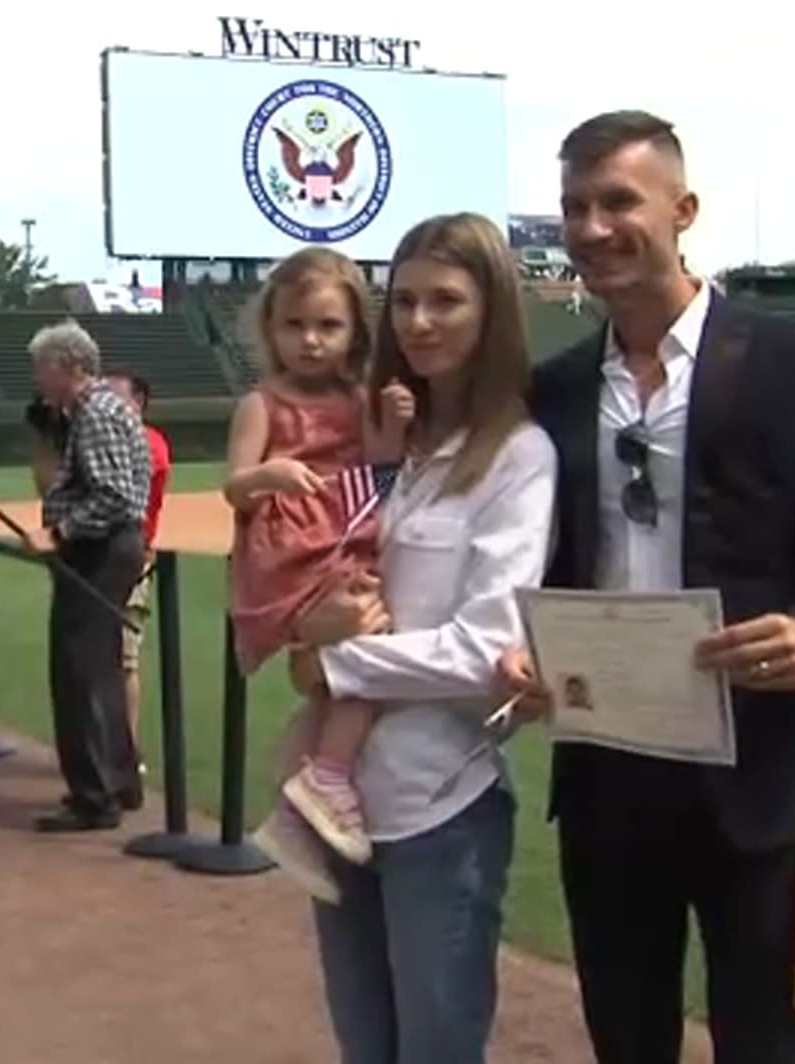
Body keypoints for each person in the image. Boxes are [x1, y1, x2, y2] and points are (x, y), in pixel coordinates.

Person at [497, 111, 795, 1063]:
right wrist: (525, 651)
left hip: (754, 772)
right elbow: (538, 562)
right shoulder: (553, 390)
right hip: (606, 774)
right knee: (627, 1034)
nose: (592, 228)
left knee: (763, 1039)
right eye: (574, 207)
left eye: (617, 202)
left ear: (684, 210)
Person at [281, 212, 556, 1063]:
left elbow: (486, 651)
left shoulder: (518, 456)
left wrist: (329, 659)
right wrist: (309, 633)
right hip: (338, 802)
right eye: (403, 301)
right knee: (365, 1048)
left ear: (492, 312)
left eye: (446, 300)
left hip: (444, 806)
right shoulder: (391, 454)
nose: (420, 322)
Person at [222, 246, 412, 865]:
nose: (310, 340)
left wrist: (397, 419)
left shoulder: (358, 397)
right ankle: (327, 776)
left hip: (350, 534)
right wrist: (270, 474)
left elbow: (383, 464)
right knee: (367, 651)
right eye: (295, 325)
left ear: (355, 329)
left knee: (350, 663)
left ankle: (305, 795)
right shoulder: (262, 404)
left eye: (328, 325)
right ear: (271, 329)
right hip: (293, 553)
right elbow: (234, 485)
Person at [28, 319, 151, 832]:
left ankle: (94, 795)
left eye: (43, 367)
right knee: (98, 668)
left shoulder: (96, 412)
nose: (38, 378)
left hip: (100, 549)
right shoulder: (95, 411)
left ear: (68, 365)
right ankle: (118, 781)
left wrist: (60, 532)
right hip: (108, 549)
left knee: (80, 672)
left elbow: (114, 497)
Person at [105, 371, 172, 771]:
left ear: (139, 402)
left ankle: (128, 750)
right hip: (99, 560)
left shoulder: (149, 443)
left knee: (125, 659)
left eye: (116, 398)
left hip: (131, 560)